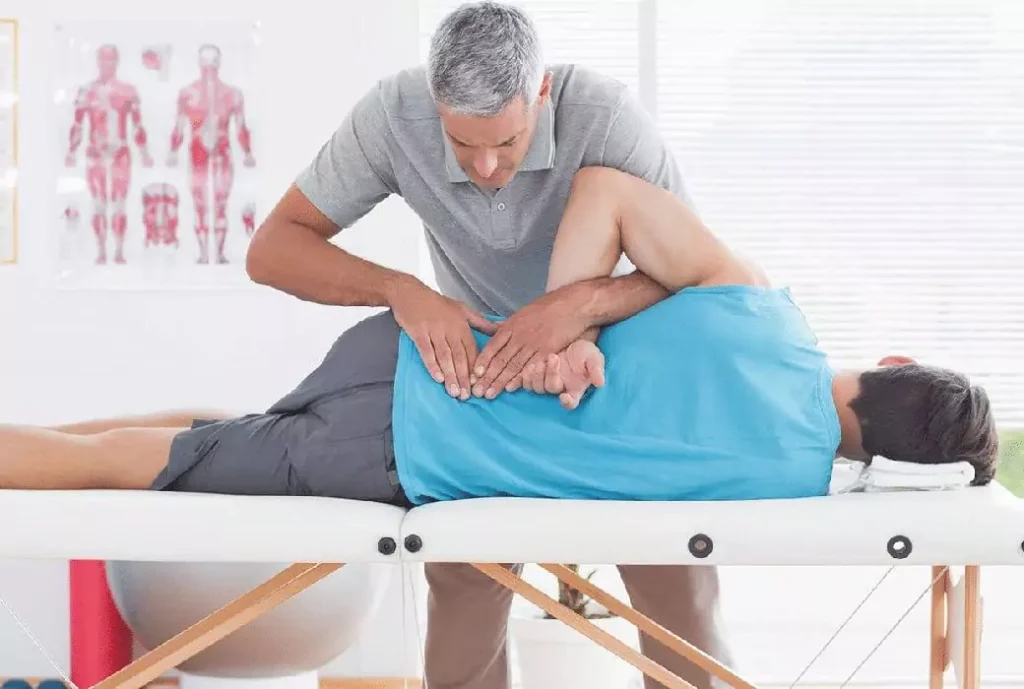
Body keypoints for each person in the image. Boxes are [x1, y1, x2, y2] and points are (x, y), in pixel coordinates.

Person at [1, 168, 1000, 680]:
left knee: (176, 442)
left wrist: (565, 316)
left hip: (415, 353)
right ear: (894, 460)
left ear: (894, 364)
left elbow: (604, 190)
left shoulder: (754, 304)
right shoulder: (779, 488)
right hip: (390, 453)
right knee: (148, 464)